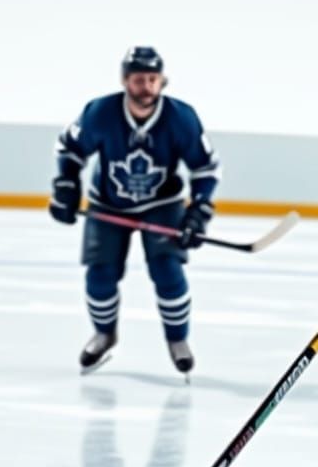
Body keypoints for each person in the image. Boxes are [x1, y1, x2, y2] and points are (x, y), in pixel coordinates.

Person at [49, 47, 222, 374]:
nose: (146, 87)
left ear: (162, 81)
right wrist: (67, 185)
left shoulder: (181, 117)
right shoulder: (100, 112)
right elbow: (69, 148)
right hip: (108, 203)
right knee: (99, 276)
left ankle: (177, 339)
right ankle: (104, 334)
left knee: (168, 271)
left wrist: (199, 210)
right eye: (139, 79)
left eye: (152, 79)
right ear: (125, 81)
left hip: (162, 205)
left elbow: (205, 169)